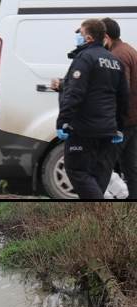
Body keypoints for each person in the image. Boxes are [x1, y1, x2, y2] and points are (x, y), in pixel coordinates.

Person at [56, 19, 130, 199]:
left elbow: (74, 93)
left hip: (84, 129)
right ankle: (97, 216)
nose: (77, 38)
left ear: (88, 38)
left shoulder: (85, 58)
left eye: (80, 34)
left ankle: (97, 211)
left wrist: (63, 121)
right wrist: (118, 128)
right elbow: (124, 98)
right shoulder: (115, 62)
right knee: (97, 174)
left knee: (77, 171)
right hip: (106, 130)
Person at [100, 17, 137, 198]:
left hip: (123, 122)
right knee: (131, 168)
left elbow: (122, 91)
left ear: (106, 36)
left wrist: (114, 124)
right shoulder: (129, 49)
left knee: (104, 166)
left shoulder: (117, 56)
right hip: (134, 118)